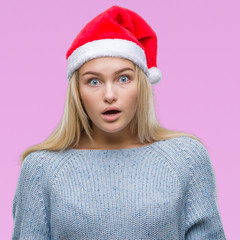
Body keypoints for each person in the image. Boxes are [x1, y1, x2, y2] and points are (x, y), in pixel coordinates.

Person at [12, 5, 226, 240]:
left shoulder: (186, 158)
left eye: (123, 78)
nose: (109, 95)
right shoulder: (42, 169)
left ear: (141, 85)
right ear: (77, 91)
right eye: (94, 82)